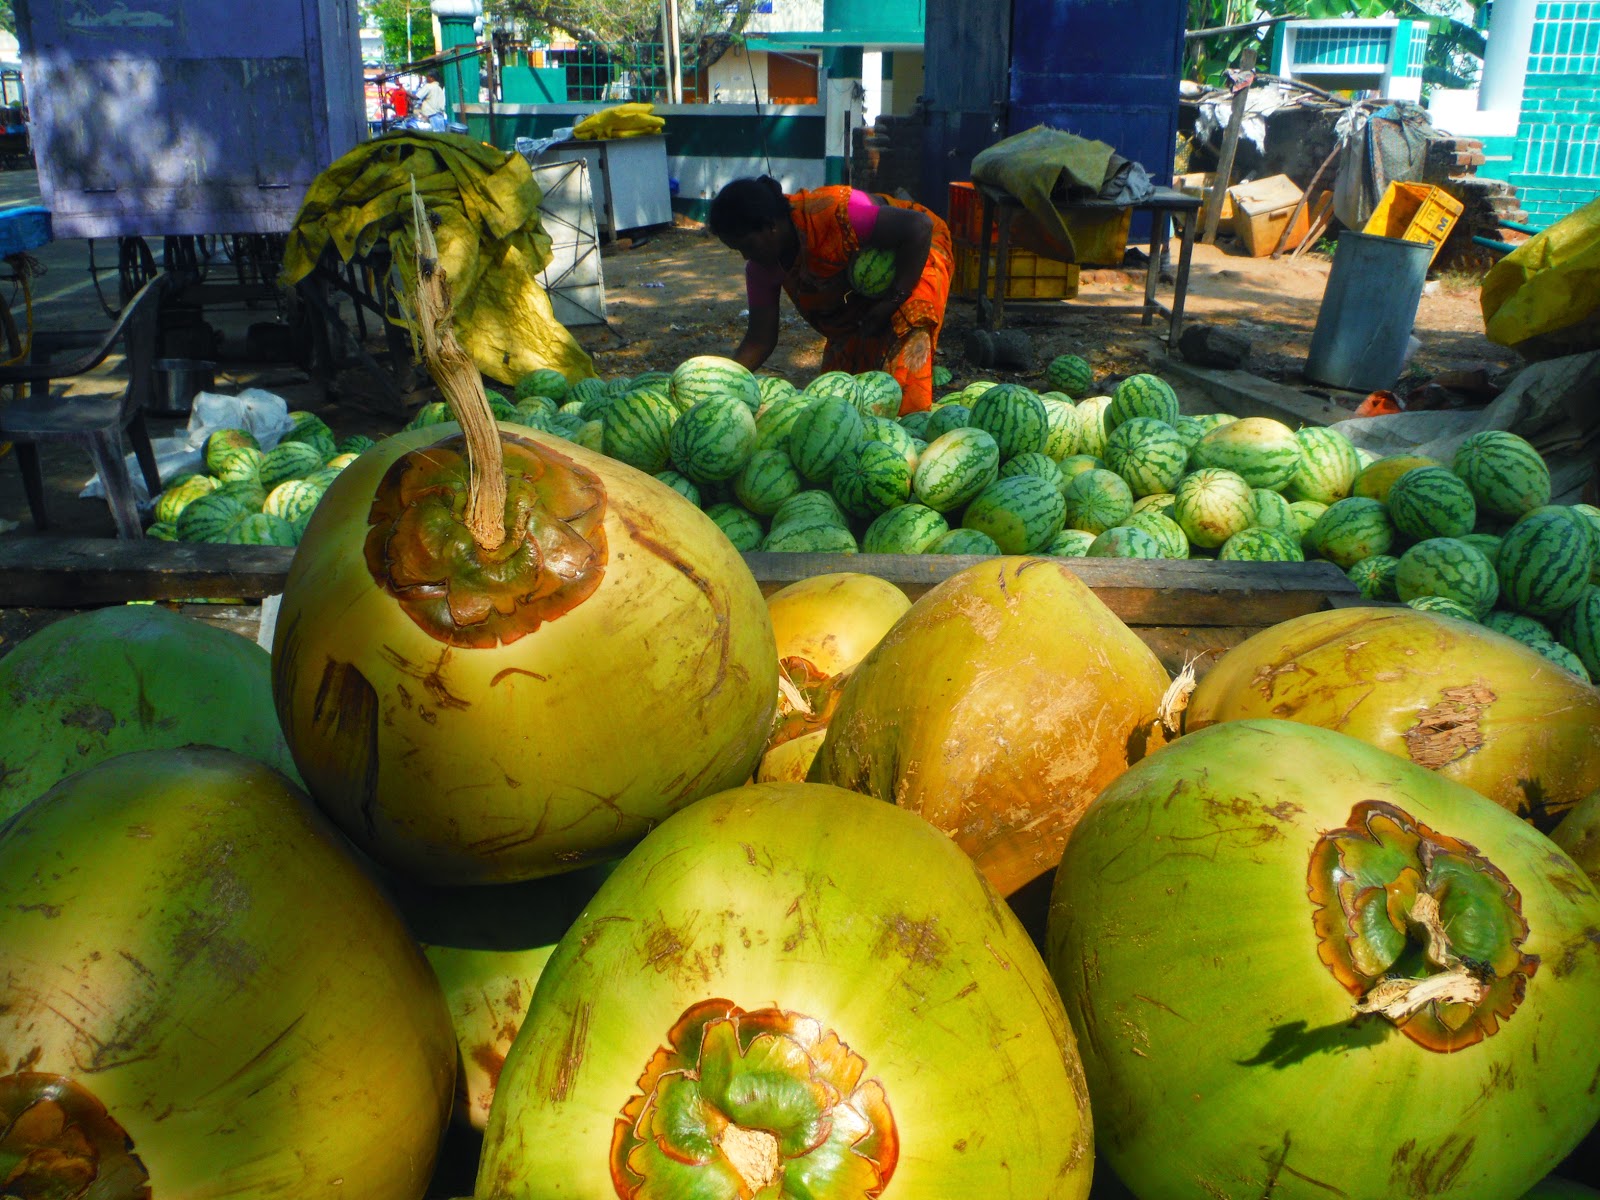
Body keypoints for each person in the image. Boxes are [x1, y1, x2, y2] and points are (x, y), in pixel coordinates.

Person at [709, 177, 953, 415]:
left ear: (769, 226)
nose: (745, 257)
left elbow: (919, 227)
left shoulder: (830, 213)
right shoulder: (761, 268)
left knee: (911, 316)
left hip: (915, 253)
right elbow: (759, 339)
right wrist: (724, 385)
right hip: (860, 287)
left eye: (747, 246)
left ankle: (910, 420)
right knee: (839, 392)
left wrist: (892, 301)